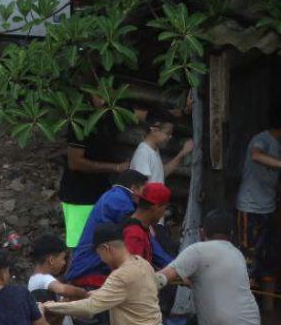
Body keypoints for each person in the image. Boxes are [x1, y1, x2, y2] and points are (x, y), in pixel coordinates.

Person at [235, 108, 281, 306]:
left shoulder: (279, 146)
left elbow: (272, 180)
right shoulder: (262, 140)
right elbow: (256, 156)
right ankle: (243, 311)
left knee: (270, 260)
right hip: (249, 209)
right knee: (248, 259)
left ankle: (269, 310)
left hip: (268, 210)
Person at [58, 104, 148, 248]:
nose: (104, 100)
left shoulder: (113, 114)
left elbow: (141, 114)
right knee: (79, 245)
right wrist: (115, 167)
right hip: (78, 196)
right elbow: (75, 163)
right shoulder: (80, 123)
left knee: (99, 244)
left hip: (99, 193)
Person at [66, 170, 172, 287]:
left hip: (90, 268)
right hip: (90, 271)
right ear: (134, 188)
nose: (144, 197)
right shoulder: (119, 200)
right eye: (144, 190)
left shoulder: (113, 196)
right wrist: (173, 267)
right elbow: (140, 228)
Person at [130, 112, 194, 186]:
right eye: (167, 133)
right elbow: (140, 188)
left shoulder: (153, 150)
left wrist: (182, 153)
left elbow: (161, 173)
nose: (170, 137)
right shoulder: (143, 153)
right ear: (154, 131)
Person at [122, 182, 172, 266]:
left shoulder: (142, 228)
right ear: (155, 208)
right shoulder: (134, 234)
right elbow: (132, 273)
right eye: (164, 208)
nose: (163, 214)